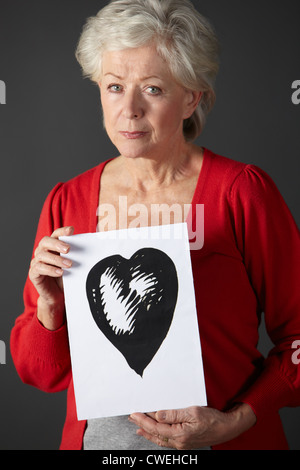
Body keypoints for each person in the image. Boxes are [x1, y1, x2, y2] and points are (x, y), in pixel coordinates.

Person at [10, 0, 300, 450]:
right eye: (113, 86)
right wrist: (48, 312)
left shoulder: (241, 192)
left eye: (152, 89)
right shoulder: (68, 200)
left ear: (191, 98)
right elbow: (39, 373)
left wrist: (238, 420)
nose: (129, 109)